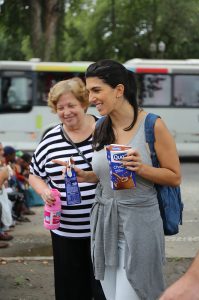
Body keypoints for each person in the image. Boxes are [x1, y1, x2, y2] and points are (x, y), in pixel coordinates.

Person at [55, 59, 181, 300]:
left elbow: (174, 177)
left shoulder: (153, 125)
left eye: (96, 90)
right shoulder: (101, 126)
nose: (91, 98)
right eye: (89, 91)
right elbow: (108, 177)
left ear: (119, 90)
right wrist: (86, 176)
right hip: (105, 227)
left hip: (140, 226)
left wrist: (141, 168)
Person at [28, 77, 106, 300]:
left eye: (71, 105)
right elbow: (34, 174)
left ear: (84, 103)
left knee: (103, 292)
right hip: (65, 232)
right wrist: (43, 191)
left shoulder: (105, 129)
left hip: (102, 231)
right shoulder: (50, 138)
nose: (66, 112)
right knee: (71, 291)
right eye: (60, 107)